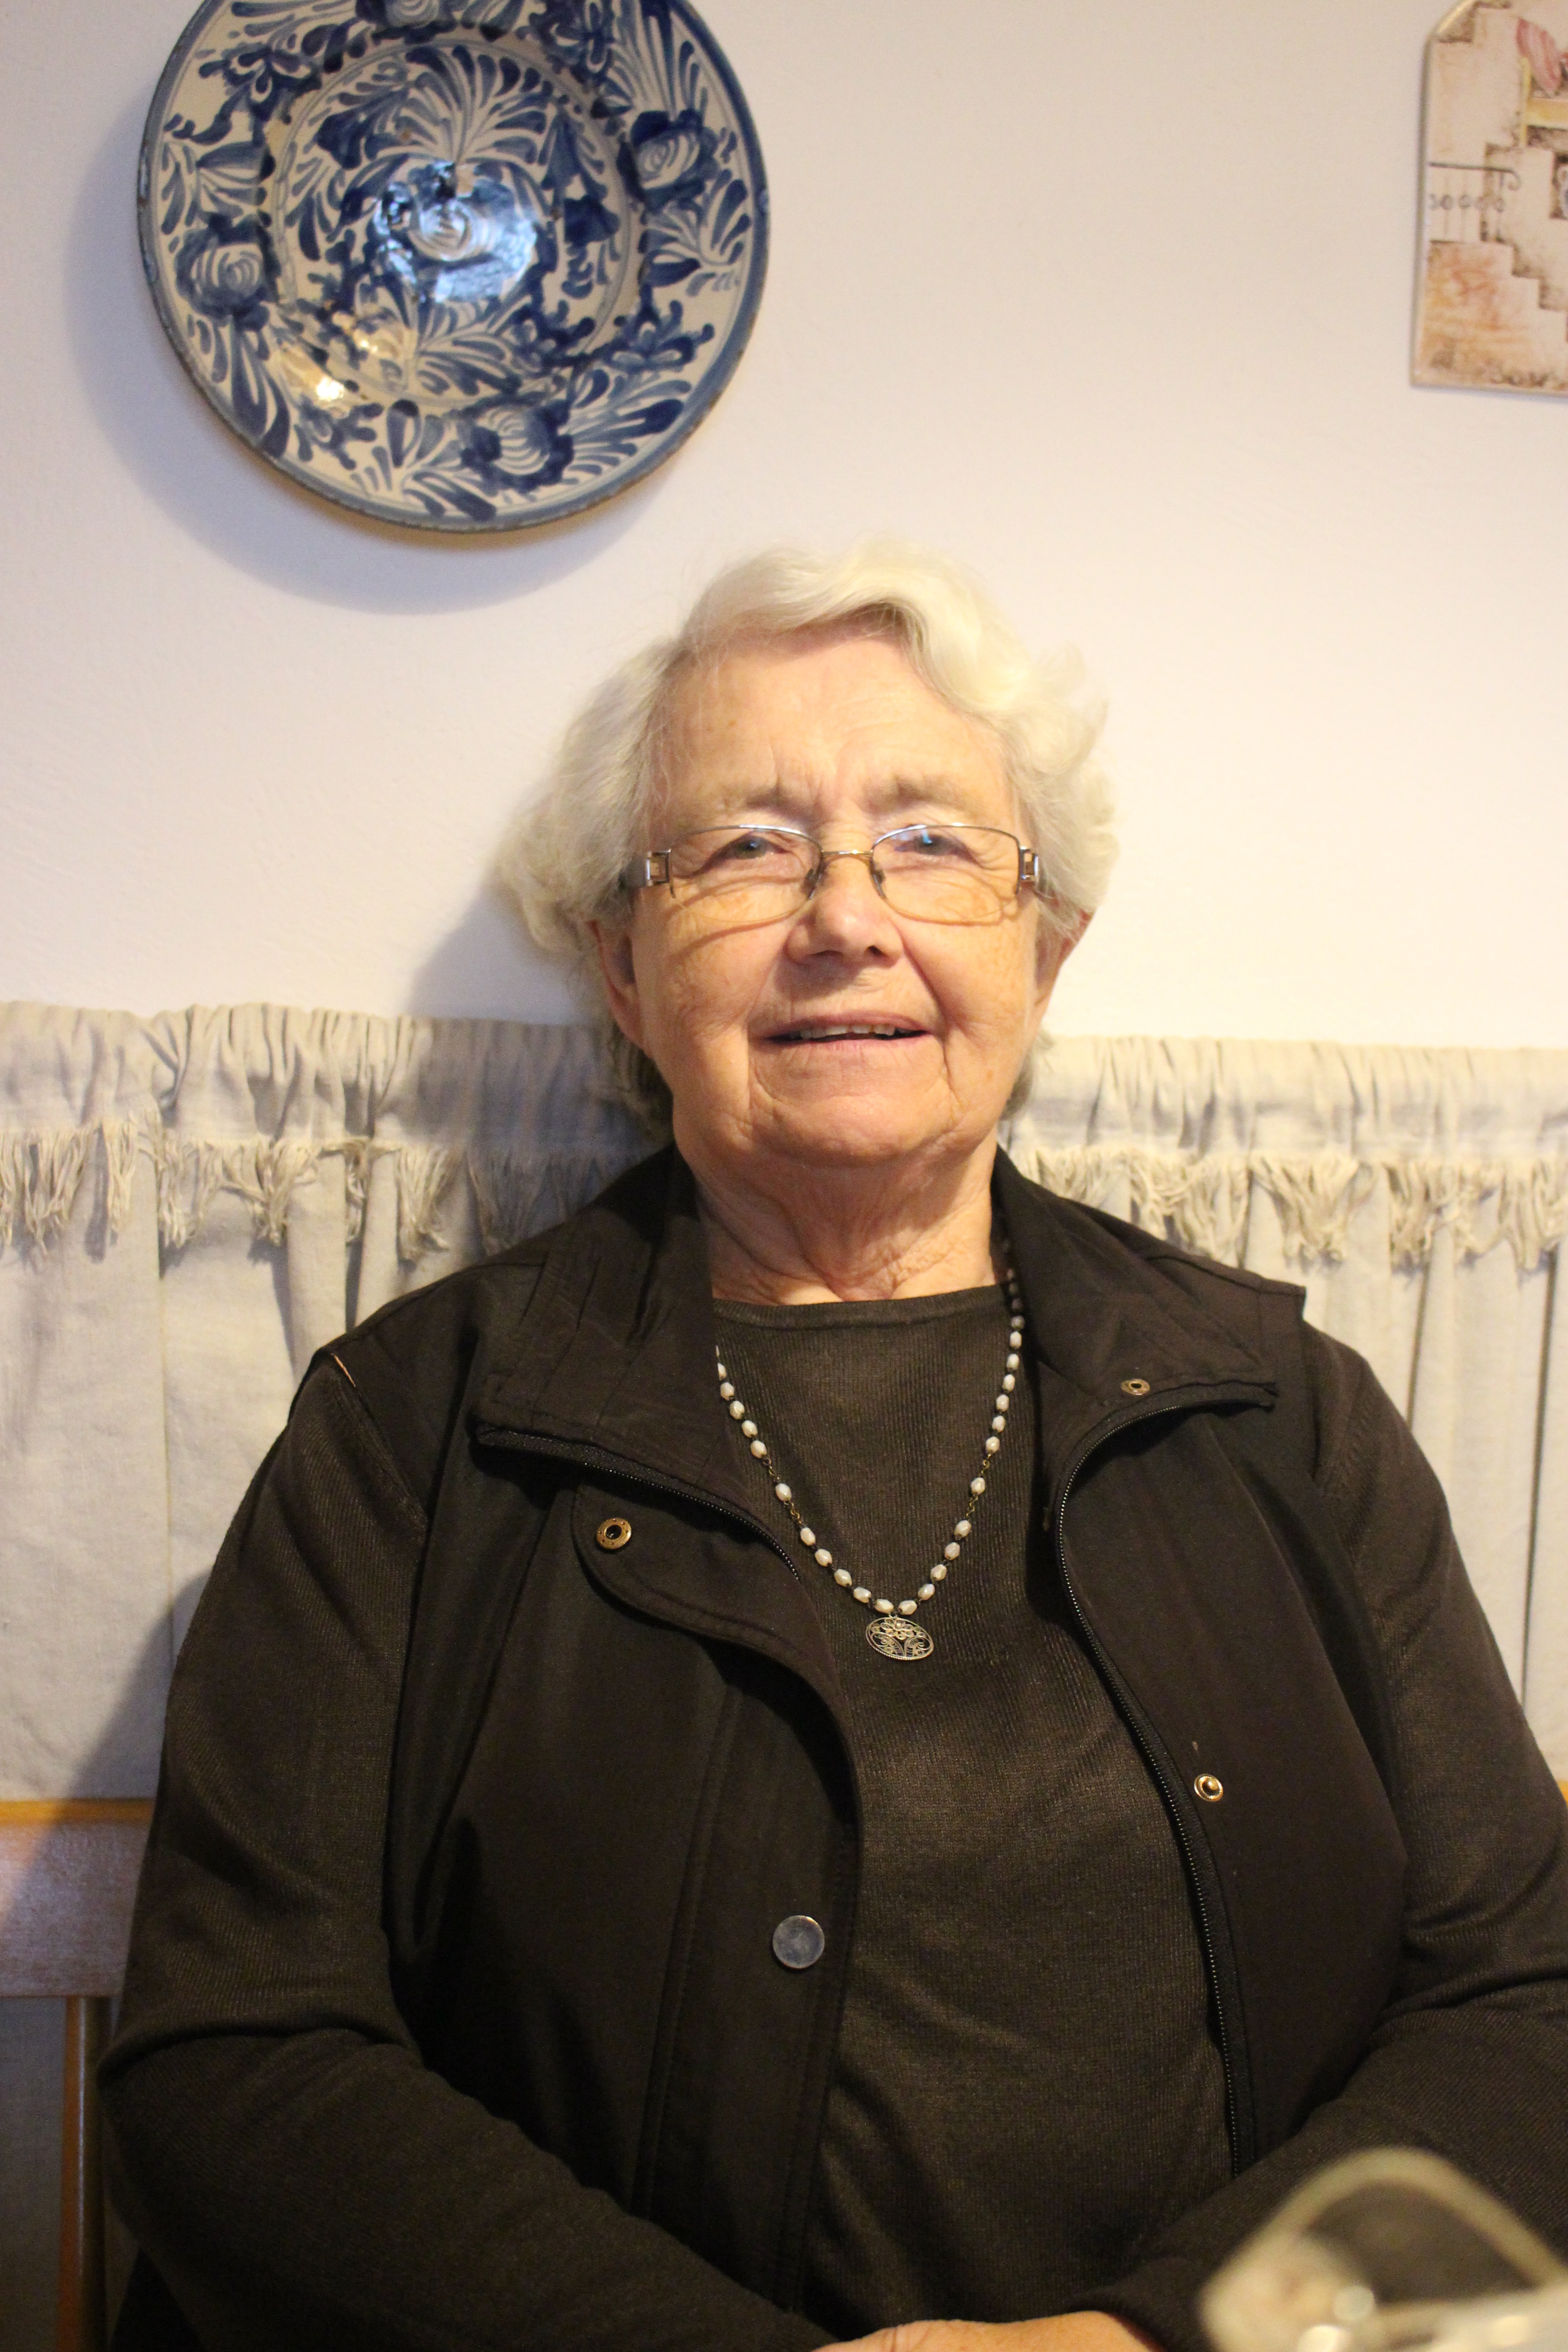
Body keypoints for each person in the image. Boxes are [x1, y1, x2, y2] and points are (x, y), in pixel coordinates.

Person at [103, 545, 1568, 2352]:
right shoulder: (408, 1431)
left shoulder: (1285, 1414)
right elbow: (233, 2065)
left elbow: (1526, 2005)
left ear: (1045, 946)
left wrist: (1148, 2342)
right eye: (748, 847)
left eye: (931, 841)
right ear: (624, 969)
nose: (847, 919)